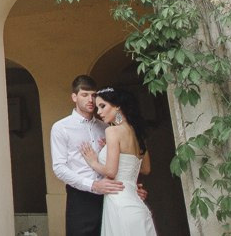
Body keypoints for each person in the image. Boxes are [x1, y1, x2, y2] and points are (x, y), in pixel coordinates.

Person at [50, 75, 126, 236]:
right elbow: (59, 168)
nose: (90, 100)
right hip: (80, 198)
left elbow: (121, 156)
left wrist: (130, 185)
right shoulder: (61, 127)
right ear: (74, 97)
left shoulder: (106, 126)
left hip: (110, 196)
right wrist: (92, 185)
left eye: (93, 95)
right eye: (84, 95)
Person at [80, 87, 158, 236]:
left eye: (103, 106)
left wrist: (93, 161)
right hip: (136, 204)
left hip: (119, 203)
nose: (99, 112)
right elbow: (145, 168)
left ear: (117, 106)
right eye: (97, 107)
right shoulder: (137, 132)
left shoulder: (112, 131)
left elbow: (111, 171)